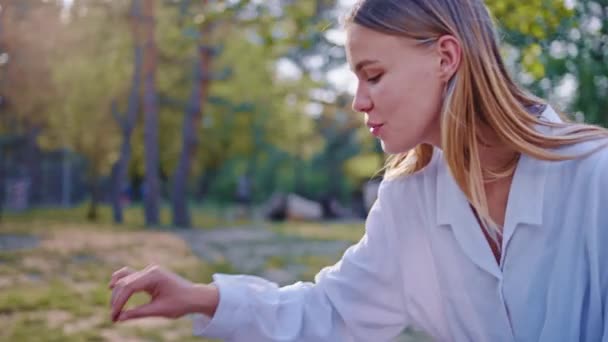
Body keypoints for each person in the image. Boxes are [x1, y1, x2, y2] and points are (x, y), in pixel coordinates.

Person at [108, 0, 608, 340]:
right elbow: (333, 312)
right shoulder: (407, 201)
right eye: (355, 77)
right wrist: (203, 297)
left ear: (446, 57)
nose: (357, 101)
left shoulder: (594, 180)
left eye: (374, 74)